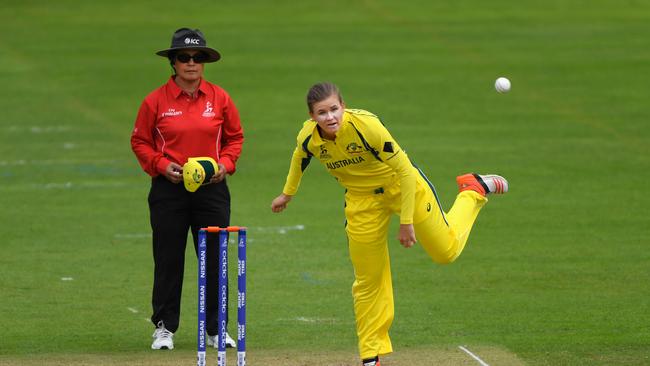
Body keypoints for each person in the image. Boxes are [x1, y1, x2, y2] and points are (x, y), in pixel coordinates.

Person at [270, 82, 508, 366]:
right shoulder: (308, 137)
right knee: (368, 279)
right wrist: (288, 193)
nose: (330, 117)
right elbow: (300, 156)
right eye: (322, 113)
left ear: (343, 106)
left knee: (445, 252)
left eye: (334, 109)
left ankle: (472, 190)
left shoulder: (366, 127)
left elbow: (405, 171)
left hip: (402, 188)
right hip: (361, 202)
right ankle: (371, 355)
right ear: (312, 117)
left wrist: (406, 222)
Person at [131, 28, 243, 350]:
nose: (191, 63)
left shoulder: (220, 98)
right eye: (184, 58)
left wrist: (225, 165)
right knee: (168, 258)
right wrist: (162, 166)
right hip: (169, 189)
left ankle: (215, 329)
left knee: (215, 259)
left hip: (212, 189)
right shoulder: (155, 101)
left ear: (204, 62)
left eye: (197, 58)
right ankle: (164, 327)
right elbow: (139, 141)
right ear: (174, 63)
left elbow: (235, 138)